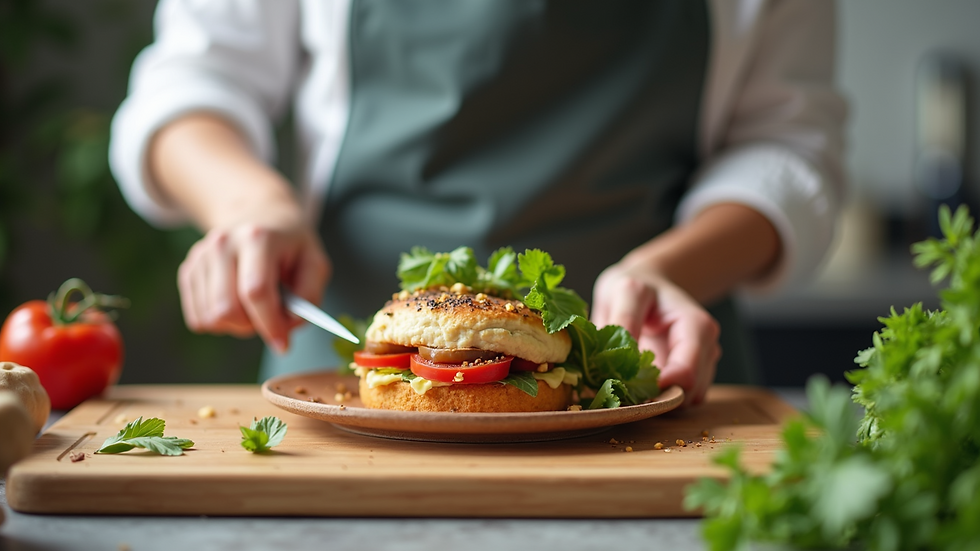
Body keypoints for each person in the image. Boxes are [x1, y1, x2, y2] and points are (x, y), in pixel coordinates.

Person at [110, 0, 846, 406]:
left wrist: (671, 267)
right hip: (346, 368)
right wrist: (251, 203)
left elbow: (788, 147)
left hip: (644, 371)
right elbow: (191, 85)